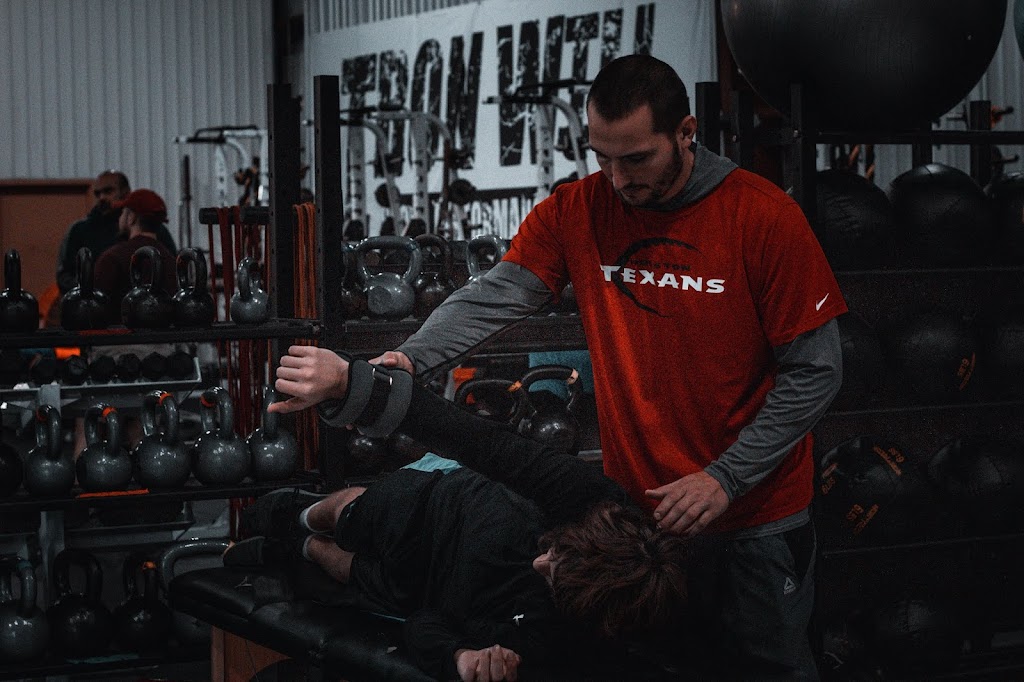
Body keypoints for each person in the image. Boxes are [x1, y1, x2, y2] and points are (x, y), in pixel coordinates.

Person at [371, 54, 847, 680]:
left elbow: (817, 371)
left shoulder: (763, 217)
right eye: (602, 157)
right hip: (636, 523)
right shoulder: (579, 209)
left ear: (686, 133)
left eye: (637, 158)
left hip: (752, 520)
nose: (618, 178)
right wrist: (412, 355)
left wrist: (724, 478)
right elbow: (496, 294)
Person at [228, 345, 690, 682]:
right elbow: (482, 443)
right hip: (435, 511)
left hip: (431, 588)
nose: (538, 563)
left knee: (351, 571)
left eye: (553, 579)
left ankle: (299, 547)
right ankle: (296, 514)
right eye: (556, 552)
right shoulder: (591, 497)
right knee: (346, 515)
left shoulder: (559, 637)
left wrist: (462, 658)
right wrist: (358, 385)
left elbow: (425, 626)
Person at [56, 171, 176, 294]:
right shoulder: (80, 230)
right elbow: (65, 276)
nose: (102, 197)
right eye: (97, 193)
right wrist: (86, 291)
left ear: (125, 192)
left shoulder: (154, 230)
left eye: (108, 191)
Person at [93, 188, 178, 307]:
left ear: (131, 217)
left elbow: (95, 306)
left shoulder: (113, 258)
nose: (119, 217)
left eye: (122, 212)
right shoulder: (170, 260)